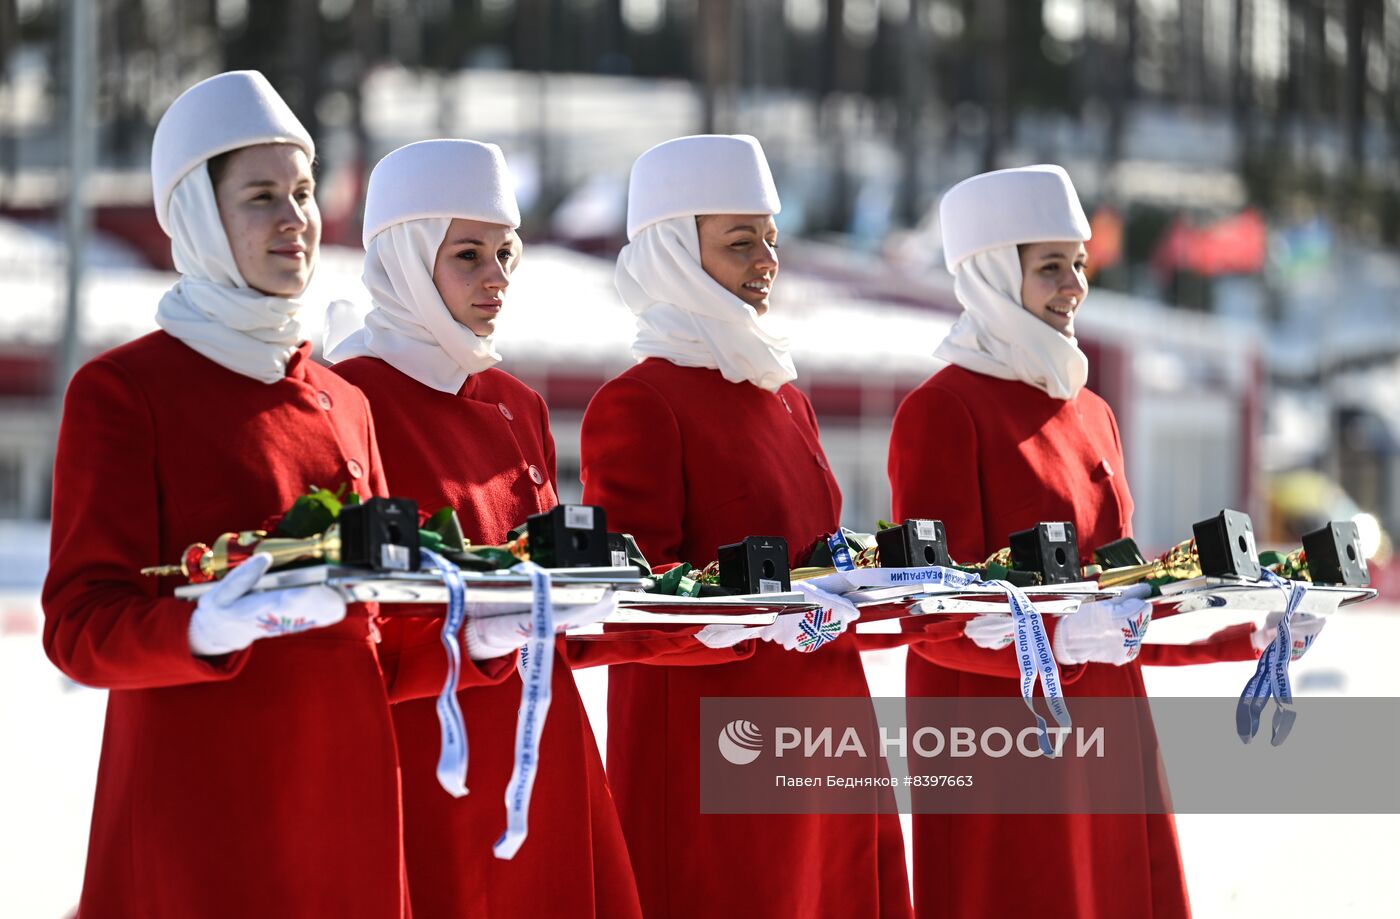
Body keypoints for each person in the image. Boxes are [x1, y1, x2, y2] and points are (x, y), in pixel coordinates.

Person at [42, 71, 409, 918]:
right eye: (261, 197)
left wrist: (488, 635)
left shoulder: (346, 400)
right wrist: (199, 627)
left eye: (305, 192)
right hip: (203, 819)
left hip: (349, 808)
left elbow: (377, 633)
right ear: (199, 218)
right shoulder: (124, 391)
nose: (296, 220)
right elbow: (76, 626)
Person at [888, 164, 1262, 919]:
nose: (1074, 285)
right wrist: (1061, 637)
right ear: (993, 273)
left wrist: (1239, 632)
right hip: (1007, 761)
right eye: (1050, 266)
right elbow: (931, 623)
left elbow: (1114, 618)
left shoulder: (1093, 412)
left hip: (1112, 744)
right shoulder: (941, 412)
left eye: (1080, 264)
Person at [579, 134, 913, 919]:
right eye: (739, 243)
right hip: (715, 764)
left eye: (770, 238)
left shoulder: (783, 394)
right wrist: (748, 621)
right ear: (671, 253)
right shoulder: (638, 404)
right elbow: (631, 605)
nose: (766, 259)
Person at [328, 139, 642, 919]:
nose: (497, 277)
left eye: (507, 252)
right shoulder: (348, 397)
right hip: (437, 751)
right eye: (469, 254)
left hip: (546, 738)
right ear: (403, 257)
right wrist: (476, 638)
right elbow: (358, 617)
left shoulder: (517, 401)